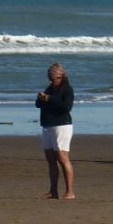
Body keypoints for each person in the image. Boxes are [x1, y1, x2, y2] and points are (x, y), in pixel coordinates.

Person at [35, 62, 76, 200]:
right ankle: (53, 191)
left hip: (62, 125)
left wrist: (49, 98)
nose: (53, 81)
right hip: (47, 125)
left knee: (62, 157)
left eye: (55, 78)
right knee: (50, 159)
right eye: (51, 79)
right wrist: (41, 98)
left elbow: (66, 107)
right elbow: (38, 104)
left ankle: (70, 191)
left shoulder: (67, 89)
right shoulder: (50, 88)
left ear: (62, 76)